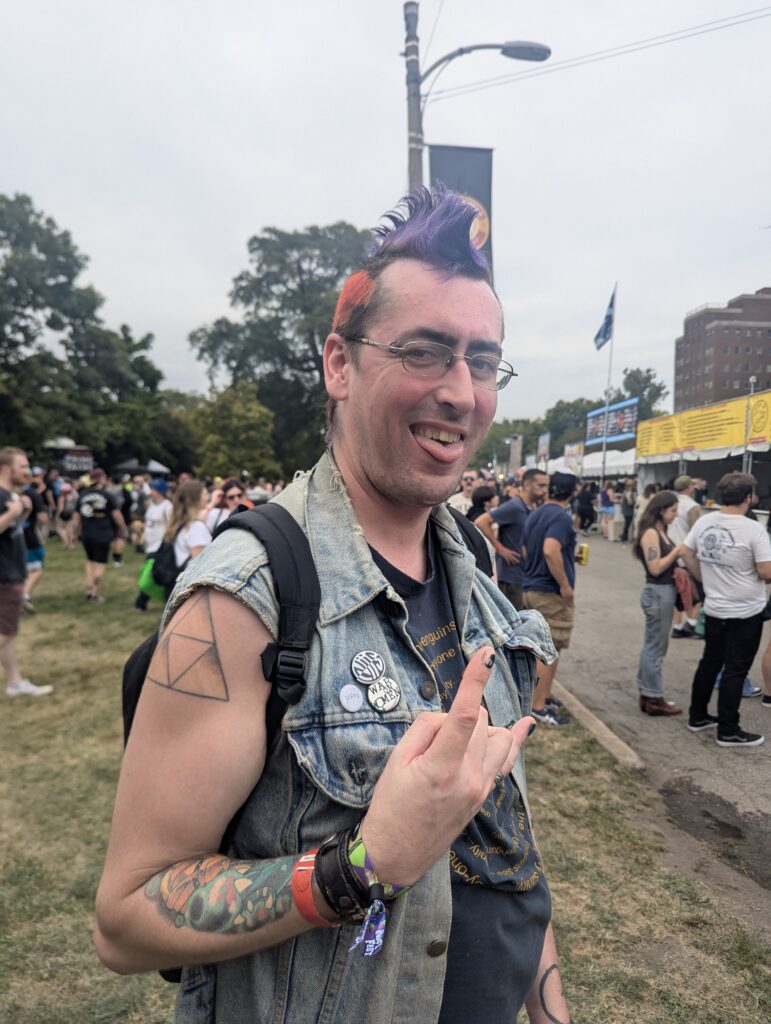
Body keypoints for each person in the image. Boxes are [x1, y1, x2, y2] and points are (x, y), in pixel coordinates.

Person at [95, 187, 569, 1024]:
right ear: (339, 365)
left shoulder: (477, 572)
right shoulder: (245, 596)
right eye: (425, 352)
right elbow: (128, 916)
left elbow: (506, 852)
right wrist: (362, 865)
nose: (461, 393)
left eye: (482, 361)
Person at [681, 472, 771, 747]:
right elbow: (766, 572)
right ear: (748, 497)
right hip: (745, 612)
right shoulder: (753, 529)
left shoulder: (705, 521)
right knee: (735, 669)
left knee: (710, 662)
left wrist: (703, 580)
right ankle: (728, 729)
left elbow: (686, 552)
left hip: (715, 607)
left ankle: (697, 716)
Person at [520, 471, 579, 727]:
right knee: (550, 649)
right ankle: (538, 706)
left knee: (540, 648)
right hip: (549, 592)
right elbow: (550, 549)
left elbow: (526, 550)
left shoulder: (536, 514)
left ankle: (542, 696)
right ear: (573, 492)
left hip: (531, 587)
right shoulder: (561, 517)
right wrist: (564, 585)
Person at [0, 447, 52, 697]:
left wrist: (23, 513)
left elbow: (10, 532)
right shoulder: (2, 497)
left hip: (12, 572)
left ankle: (15, 682)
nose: (27, 471)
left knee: (8, 631)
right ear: (6, 469)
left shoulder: (11, 496)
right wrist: (13, 511)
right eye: (22, 466)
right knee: (6, 631)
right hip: (5, 576)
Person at [633, 491, 686, 716]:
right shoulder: (651, 533)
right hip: (658, 592)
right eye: (673, 510)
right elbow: (655, 568)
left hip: (662, 592)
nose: (676, 515)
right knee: (655, 647)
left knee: (654, 645)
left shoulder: (659, 531)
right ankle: (654, 696)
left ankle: (649, 693)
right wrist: (677, 551)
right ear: (661, 510)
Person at [476, 468, 548, 612]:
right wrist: (500, 549)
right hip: (511, 578)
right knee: (515, 621)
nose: (545, 490)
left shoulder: (531, 507)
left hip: (525, 576)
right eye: (541, 486)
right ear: (527, 485)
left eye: (546, 486)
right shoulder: (514, 506)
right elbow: (481, 522)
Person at [71, 468, 127, 602]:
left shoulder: (82, 495)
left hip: (87, 534)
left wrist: (74, 534)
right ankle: (94, 593)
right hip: (103, 533)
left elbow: (76, 518)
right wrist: (123, 528)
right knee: (100, 563)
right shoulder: (107, 496)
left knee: (90, 561)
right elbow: (117, 516)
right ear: (101, 479)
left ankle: (88, 588)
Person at [668, 475, 703, 638]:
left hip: (670, 551)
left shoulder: (670, 503)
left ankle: (678, 625)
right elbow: (695, 531)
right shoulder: (692, 506)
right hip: (686, 553)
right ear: (690, 488)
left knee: (678, 592)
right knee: (698, 592)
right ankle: (692, 623)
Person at [134, 479, 173, 612]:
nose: (150, 492)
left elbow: (171, 526)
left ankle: (141, 604)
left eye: (153, 490)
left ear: (160, 491)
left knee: (149, 575)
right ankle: (164, 600)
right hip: (150, 546)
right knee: (153, 575)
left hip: (159, 547)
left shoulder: (168, 506)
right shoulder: (152, 506)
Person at [22, 466, 49, 613]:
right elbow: (43, 518)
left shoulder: (7, 493)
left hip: (9, 536)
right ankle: (24, 596)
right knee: (36, 568)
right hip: (29, 536)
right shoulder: (33, 495)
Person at [620, 478, 636, 544]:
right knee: (627, 525)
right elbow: (630, 502)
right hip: (628, 510)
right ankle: (624, 538)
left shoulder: (625, 491)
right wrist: (634, 502)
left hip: (625, 510)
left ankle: (623, 536)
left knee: (626, 524)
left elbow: (622, 500)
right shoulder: (629, 493)